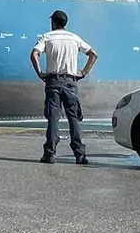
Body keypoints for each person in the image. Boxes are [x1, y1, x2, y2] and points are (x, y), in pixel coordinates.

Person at [29, 9, 97, 164]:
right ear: (65, 23)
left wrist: (40, 73)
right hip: (71, 82)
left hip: (53, 81)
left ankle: (50, 154)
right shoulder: (74, 38)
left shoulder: (47, 37)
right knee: (74, 118)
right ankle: (80, 155)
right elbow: (93, 53)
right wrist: (84, 72)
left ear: (53, 22)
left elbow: (34, 54)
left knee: (53, 118)